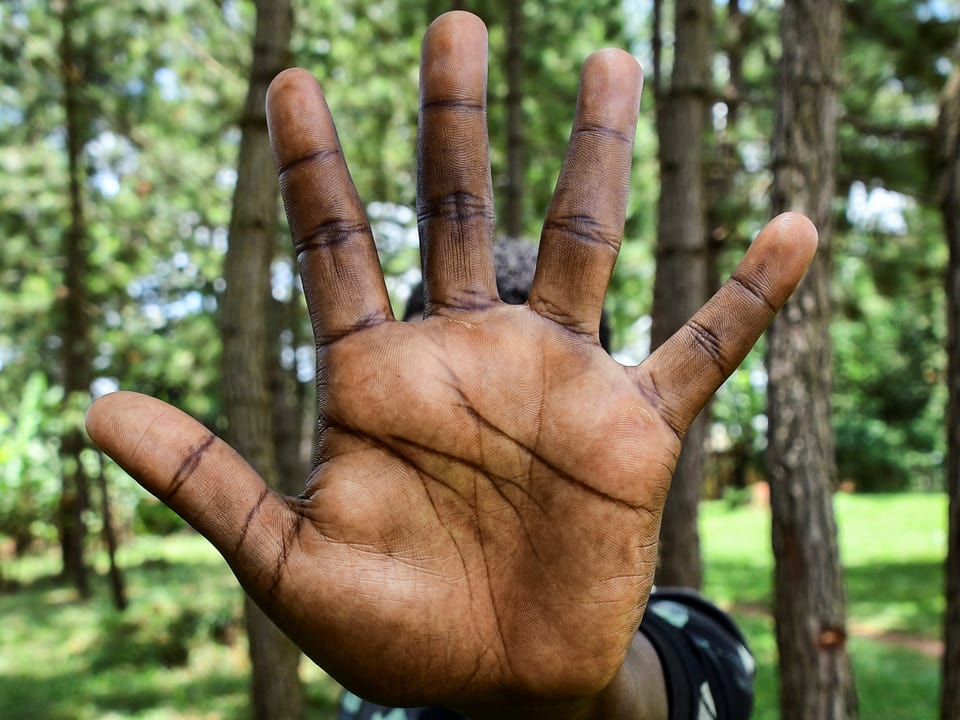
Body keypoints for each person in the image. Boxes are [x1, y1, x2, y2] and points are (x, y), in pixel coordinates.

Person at [84, 10, 817, 720]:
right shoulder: (371, 660)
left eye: (550, 395)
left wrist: (579, 702)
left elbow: (690, 682)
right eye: (451, 389)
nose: (494, 425)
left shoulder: (696, 633)